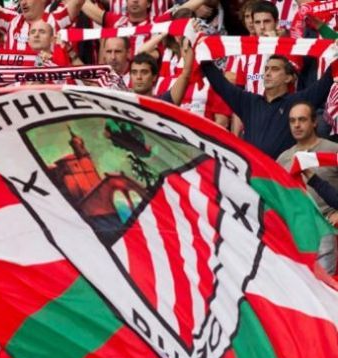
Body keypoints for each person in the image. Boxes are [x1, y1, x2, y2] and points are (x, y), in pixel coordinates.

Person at [202, 55, 335, 159]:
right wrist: (202, 52)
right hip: (254, 178)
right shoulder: (249, 102)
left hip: (283, 180)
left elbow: (326, 81)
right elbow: (220, 83)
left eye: (275, 69)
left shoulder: (298, 103)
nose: (267, 73)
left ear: (289, 78)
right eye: (266, 69)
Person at [276, 101, 338, 273]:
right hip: (294, 230)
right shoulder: (283, 158)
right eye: (292, 121)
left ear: (314, 122)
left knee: (324, 287)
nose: (296, 125)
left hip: (325, 226)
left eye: (302, 119)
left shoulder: (333, 151)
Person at [130, 46, 194, 105]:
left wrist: (191, 41)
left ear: (154, 77)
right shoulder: (121, 102)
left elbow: (186, 74)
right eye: (134, 72)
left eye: (144, 72)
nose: (138, 77)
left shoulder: (163, 102)